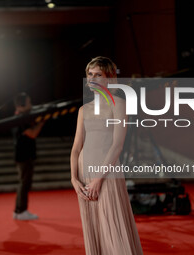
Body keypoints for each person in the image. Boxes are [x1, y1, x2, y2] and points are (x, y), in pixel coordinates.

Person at [70, 56, 144, 254]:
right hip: (85, 173)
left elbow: (117, 145)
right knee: (94, 228)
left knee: (114, 227)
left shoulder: (118, 104)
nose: (92, 78)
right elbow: (76, 147)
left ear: (109, 78)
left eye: (98, 75)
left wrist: (98, 180)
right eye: (90, 74)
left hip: (107, 173)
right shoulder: (83, 110)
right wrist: (74, 178)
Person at [12, 92, 45, 220]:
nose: (31, 105)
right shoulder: (20, 118)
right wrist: (42, 122)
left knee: (24, 182)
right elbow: (32, 133)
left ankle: (19, 210)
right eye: (29, 102)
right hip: (23, 154)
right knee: (24, 183)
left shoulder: (20, 117)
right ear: (21, 104)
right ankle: (21, 210)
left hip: (24, 153)